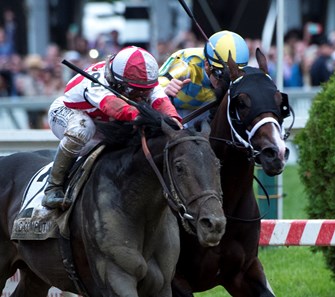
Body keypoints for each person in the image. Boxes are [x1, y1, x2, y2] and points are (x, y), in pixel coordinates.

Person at [42, 46, 182, 210]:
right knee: (82, 129)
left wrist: (174, 121)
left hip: (103, 121)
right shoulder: (96, 83)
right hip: (69, 112)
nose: (141, 96)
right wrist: (150, 118)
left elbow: (161, 101)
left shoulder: (143, 82)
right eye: (135, 91)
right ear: (117, 82)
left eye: (145, 91)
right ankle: (53, 186)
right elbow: (117, 108)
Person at [158, 30, 249, 126]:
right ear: (207, 65)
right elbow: (152, 90)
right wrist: (164, 90)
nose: (227, 81)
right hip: (176, 110)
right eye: (221, 74)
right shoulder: (186, 64)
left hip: (206, 110)